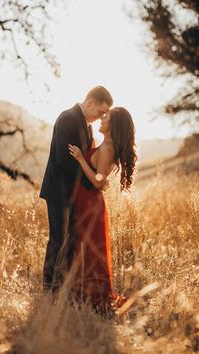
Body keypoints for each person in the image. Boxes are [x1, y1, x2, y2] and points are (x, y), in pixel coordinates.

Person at [39, 86, 113, 293]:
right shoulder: (67, 118)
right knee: (58, 241)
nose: (100, 118)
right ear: (90, 103)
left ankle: (64, 290)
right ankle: (50, 291)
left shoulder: (87, 125)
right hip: (58, 192)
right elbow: (63, 160)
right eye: (100, 112)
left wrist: (98, 178)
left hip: (73, 194)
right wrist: (93, 183)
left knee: (70, 242)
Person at [68, 107, 137, 312]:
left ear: (113, 125)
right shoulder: (103, 144)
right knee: (84, 249)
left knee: (89, 250)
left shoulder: (108, 147)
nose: (101, 118)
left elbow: (99, 182)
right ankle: (80, 296)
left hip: (90, 202)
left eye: (105, 117)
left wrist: (81, 159)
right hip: (85, 200)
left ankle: (92, 299)